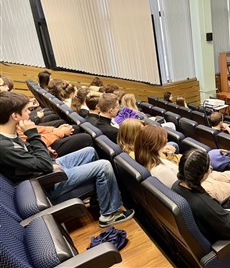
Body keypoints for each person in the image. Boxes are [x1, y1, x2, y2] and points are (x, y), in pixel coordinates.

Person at [0, 91, 134, 227]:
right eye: (27, 110)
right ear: (15, 116)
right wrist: (32, 134)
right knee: (103, 166)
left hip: (47, 168)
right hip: (47, 182)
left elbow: (33, 155)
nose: (30, 114)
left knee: (89, 152)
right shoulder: (4, 146)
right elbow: (43, 165)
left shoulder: (10, 134)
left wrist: (46, 154)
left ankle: (99, 198)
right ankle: (108, 214)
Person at [134, 125, 230, 202]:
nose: (166, 141)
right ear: (155, 145)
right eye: (163, 141)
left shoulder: (151, 159)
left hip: (193, 179)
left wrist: (168, 154)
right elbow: (182, 187)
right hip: (196, 186)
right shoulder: (160, 170)